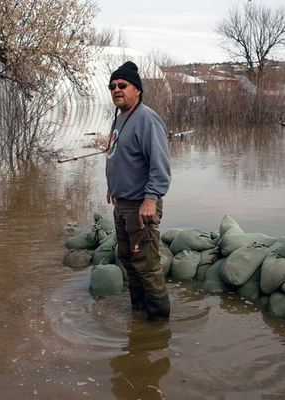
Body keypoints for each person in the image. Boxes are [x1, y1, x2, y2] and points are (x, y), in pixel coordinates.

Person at [105, 61, 171, 321]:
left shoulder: (146, 118)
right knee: (128, 260)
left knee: (147, 265)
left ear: (138, 90)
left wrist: (151, 199)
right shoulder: (119, 118)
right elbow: (116, 155)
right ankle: (139, 315)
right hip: (122, 203)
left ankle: (157, 326)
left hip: (140, 206)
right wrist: (113, 187)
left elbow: (160, 164)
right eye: (112, 86)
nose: (116, 90)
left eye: (123, 85)